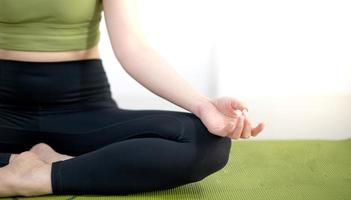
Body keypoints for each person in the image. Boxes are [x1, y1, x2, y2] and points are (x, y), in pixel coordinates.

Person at [0, 0, 265, 197]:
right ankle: (24, 159)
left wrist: (203, 105)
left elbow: (134, 49)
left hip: (82, 110)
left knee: (206, 142)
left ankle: (34, 176)